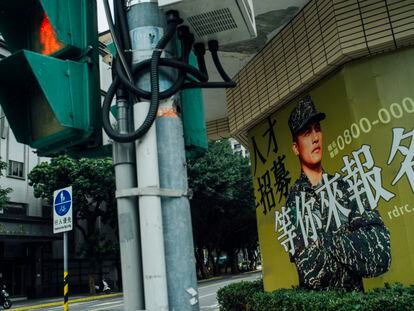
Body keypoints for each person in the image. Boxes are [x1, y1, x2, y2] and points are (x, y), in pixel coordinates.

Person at [286, 96, 391, 291]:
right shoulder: (295, 201)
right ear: (295, 148)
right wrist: (353, 242)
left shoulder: (347, 187)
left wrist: (326, 242)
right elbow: (313, 273)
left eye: (318, 128)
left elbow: (381, 253)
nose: (315, 137)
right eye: (306, 132)